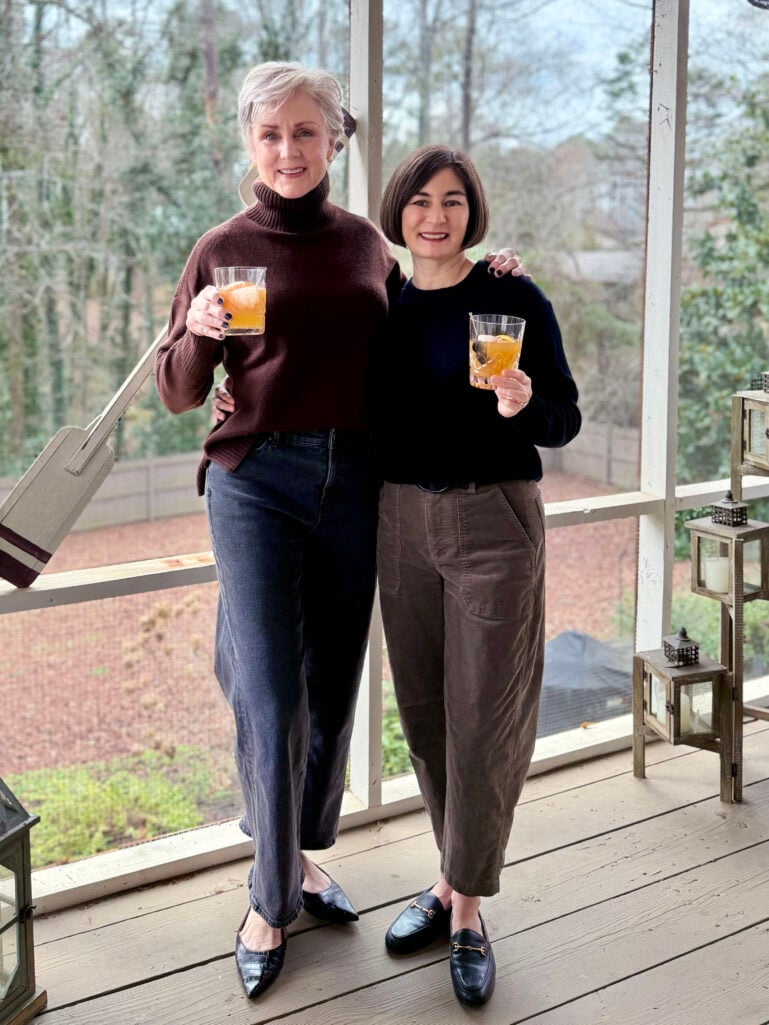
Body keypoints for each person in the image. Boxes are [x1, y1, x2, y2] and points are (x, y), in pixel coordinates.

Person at [156, 61, 522, 1002]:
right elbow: (178, 390)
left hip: (359, 477)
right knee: (269, 689)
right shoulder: (220, 247)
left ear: (334, 141)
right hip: (255, 478)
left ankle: (303, 854)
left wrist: (498, 277)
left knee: (329, 686)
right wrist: (199, 332)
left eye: (305, 132)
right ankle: (268, 897)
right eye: (270, 133)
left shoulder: (366, 245)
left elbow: (428, 323)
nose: (288, 149)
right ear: (250, 142)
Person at [374, 146, 580, 1006]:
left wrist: (520, 402)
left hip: (493, 519)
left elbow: (564, 418)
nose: (435, 216)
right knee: (426, 717)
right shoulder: (378, 298)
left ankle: (465, 907)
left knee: (484, 719)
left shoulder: (511, 295)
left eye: (453, 200)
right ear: (397, 210)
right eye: (420, 200)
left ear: (473, 211)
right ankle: (448, 873)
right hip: (397, 521)